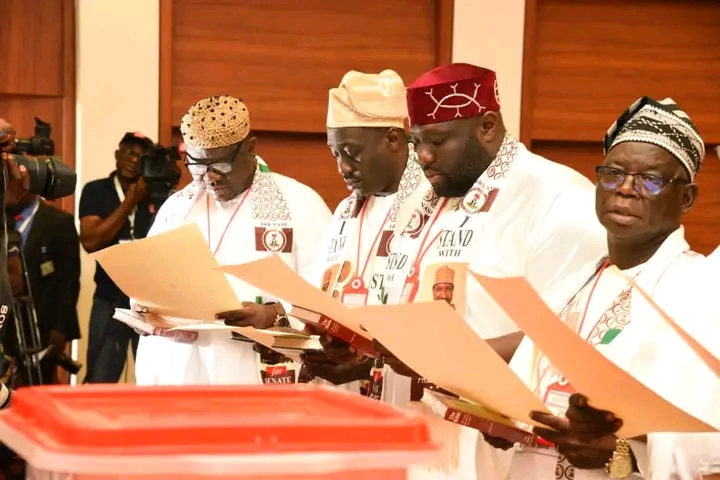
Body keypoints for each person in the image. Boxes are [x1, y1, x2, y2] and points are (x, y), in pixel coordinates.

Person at [332, 63, 607, 479]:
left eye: (438, 141)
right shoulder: (423, 198)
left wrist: (447, 359)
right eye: (416, 141)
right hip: (415, 436)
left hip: (505, 449)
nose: (423, 157)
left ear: (488, 127)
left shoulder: (557, 198)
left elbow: (576, 333)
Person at [506, 96, 719, 480]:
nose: (626, 189)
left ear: (686, 198)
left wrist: (625, 451)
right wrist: (505, 423)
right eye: (613, 174)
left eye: (650, 180)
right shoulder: (576, 277)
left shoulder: (700, 289)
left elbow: (708, 430)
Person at [133, 94, 331, 386]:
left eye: (220, 165)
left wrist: (274, 314)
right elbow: (147, 278)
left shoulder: (299, 204)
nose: (210, 177)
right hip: (179, 368)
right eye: (197, 165)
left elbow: (325, 295)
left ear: (250, 148)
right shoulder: (177, 208)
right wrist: (144, 307)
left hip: (252, 369)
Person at [302, 69, 429, 392]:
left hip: (407, 394)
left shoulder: (434, 203)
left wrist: (371, 364)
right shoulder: (346, 210)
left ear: (393, 139)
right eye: (335, 153)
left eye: (352, 152)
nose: (342, 167)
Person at [78, 132, 155, 383]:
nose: (134, 160)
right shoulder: (96, 190)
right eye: (130, 153)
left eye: (141, 156)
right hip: (109, 298)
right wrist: (128, 203)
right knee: (101, 377)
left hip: (149, 303)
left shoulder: (156, 193)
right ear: (117, 155)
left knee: (153, 378)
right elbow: (90, 242)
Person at [6, 192, 81, 384]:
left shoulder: (59, 222)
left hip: (41, 329)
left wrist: (60, 329)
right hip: (4, 322)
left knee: (35, 388)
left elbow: (69, 281)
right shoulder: (3, 220)